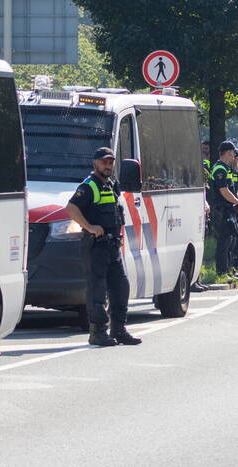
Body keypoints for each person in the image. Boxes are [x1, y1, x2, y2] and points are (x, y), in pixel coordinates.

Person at [64, 147, 141, 347]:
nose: (108, 165)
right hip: (96, 246)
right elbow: (71, 208)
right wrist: (89, 226)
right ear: (95, 163)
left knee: (120, 287)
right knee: (97, 289)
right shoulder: (89, 186)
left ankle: (119, 330)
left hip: (112, 245)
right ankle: (97, 332)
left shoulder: (111, 185)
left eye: (110, 162)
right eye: (104, 162)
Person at [208, 141, 238, 275]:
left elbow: (232, 189)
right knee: (224, 242)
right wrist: (237, 201)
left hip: (229, 210)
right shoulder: (219, 169)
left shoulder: (226, 168)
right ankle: (222, 272)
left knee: (231, 240)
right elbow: (224, 191)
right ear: (229, 153)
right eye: (233, 154)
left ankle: (229, 271)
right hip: (221, 210)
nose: (234, 157)